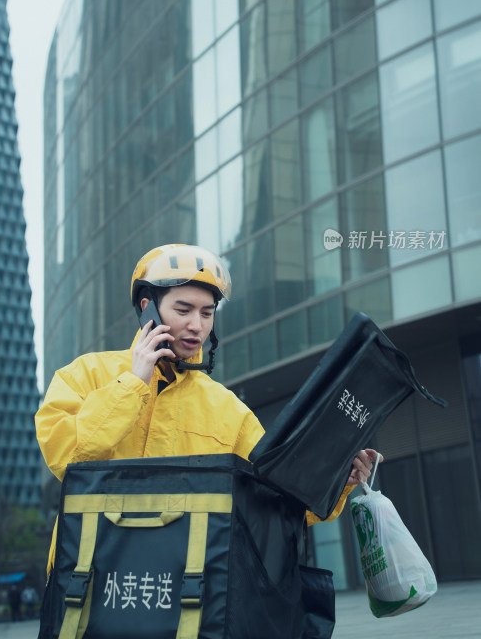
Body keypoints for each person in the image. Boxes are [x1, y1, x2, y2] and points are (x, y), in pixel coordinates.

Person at [36, 243, 380, 572]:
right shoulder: (84, 375)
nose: (197, 326)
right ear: (148, 309)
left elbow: (278, 500)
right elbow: (68, 457)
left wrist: (338, 479)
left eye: (207, 313)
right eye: (183, 310)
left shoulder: (230, 411)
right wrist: (133, 384)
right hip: (89, 583)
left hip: (187, 594)